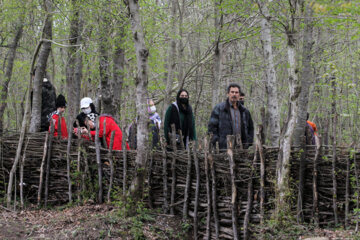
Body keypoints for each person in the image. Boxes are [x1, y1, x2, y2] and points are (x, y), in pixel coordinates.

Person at [208, 83, 254, 149]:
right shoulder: (219, 108)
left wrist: (248, 142)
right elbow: (211, 128)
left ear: (239, 95)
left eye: (236, 92)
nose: (234, 94)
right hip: (224, 148)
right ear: (228, 94)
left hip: (241, 148)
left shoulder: (244, 111)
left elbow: (250, 128)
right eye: (232, 92)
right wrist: (217, 142)